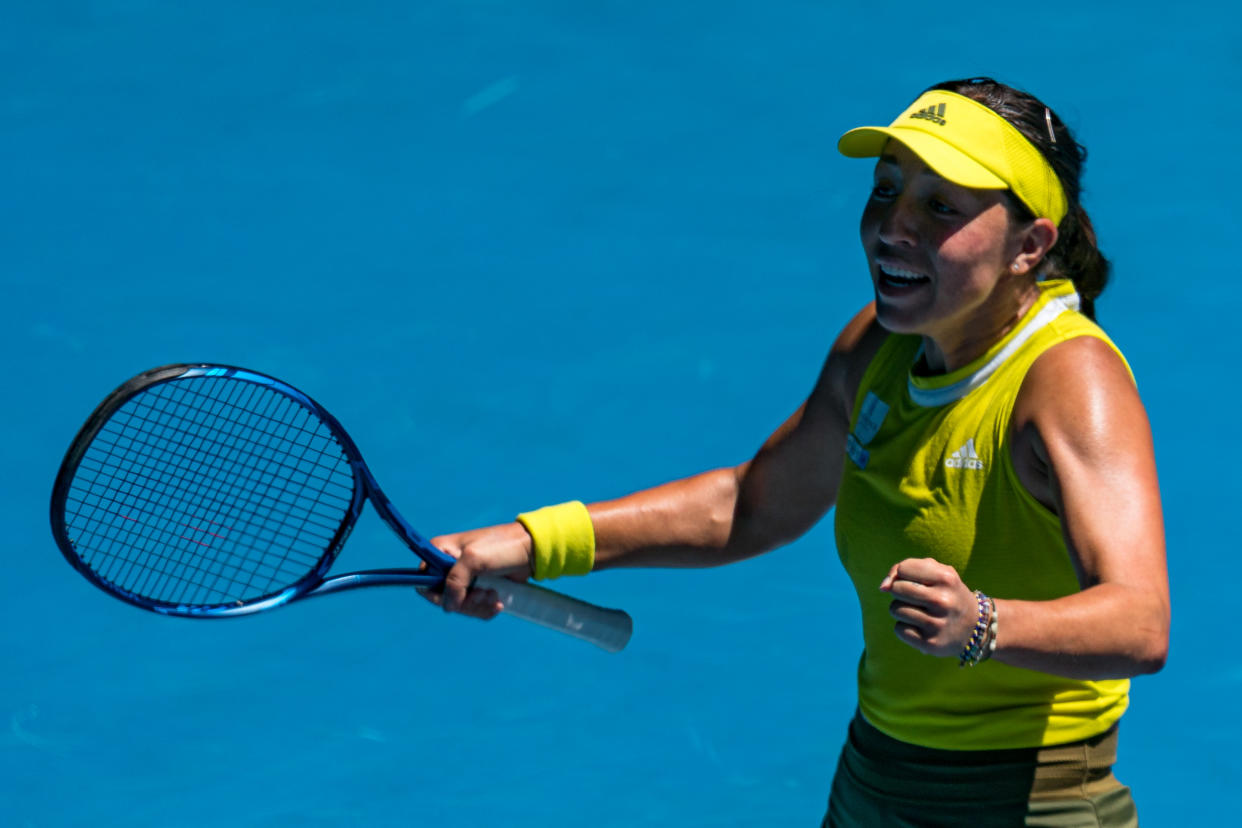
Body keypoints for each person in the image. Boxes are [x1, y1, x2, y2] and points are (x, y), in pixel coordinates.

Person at [425, 78, 1169, 827]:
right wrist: (530, 542)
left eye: (940, 206)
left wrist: (983, 623)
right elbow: (750, 506)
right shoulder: (879, 347)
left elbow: (1139, 622)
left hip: (1028, 803)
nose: (892, 228)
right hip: (876, 779)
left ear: (1031, 244)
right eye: (886, 192)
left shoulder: (1070, 381)